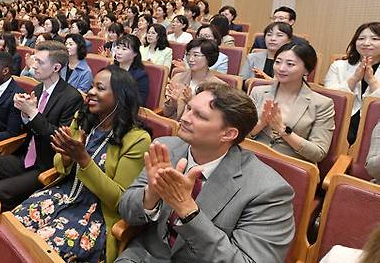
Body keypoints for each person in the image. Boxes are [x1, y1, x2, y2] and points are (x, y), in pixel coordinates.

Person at [117, 82, 295, 263]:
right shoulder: (166, 148)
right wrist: (151, 194)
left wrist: (187, 210)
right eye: (188, 108)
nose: (185, 118)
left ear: (228, 134)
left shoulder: (269, 190)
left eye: (199, 116)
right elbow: (125, 210)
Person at [13, 66, 151, 262]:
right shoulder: (84, 118)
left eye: (100, 88)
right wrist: (68, 158)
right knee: (15, 224)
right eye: (92, 86)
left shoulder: (137, 139)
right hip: (62, 195)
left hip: (96, 215)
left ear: (120, 96)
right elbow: (60, 164)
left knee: (47, 250)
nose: (91, 91)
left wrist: (83, 159)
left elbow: (120, 200)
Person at [0, 41, 84, 211]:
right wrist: (24, 114)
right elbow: (27, 130)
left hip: (45, 164)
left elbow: (59, 139)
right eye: (34, 60)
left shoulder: (72, 97)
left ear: (56, 67)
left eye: (40, 62)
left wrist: (32, 113)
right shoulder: (37, 90)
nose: (33, 66)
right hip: (24, 156)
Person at [249, 42, 335, 163]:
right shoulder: (258, 92)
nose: (281, 68)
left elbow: (318, 153)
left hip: (290, 165)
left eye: (290, 64)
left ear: (306, 70)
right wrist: (261, 123)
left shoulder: (322, 104)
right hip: (252, 158)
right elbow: (239, 134)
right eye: (278, 62)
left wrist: (283, 130)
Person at [324, 22, 380, 144]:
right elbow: (328, 98)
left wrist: (372, 81)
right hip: (339, 120)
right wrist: (354, 79)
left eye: (375, 39)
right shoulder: (339, 65)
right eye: (361, 38)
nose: (366, 43)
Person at [164, 38, 225, 120]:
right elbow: (166, 113)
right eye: (188, 54)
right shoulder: (177, 78)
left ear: (209, 58)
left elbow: (215, 119)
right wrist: (173, 103)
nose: (190, 59)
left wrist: (191, 101)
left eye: (196, 55)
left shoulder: (218, 87)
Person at [114, 34, 149, 106]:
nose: (119, 52)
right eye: (118, 48)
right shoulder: (111, 69)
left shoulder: (140, 76)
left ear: (135, 53)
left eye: (124, 49)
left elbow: (139, 102)